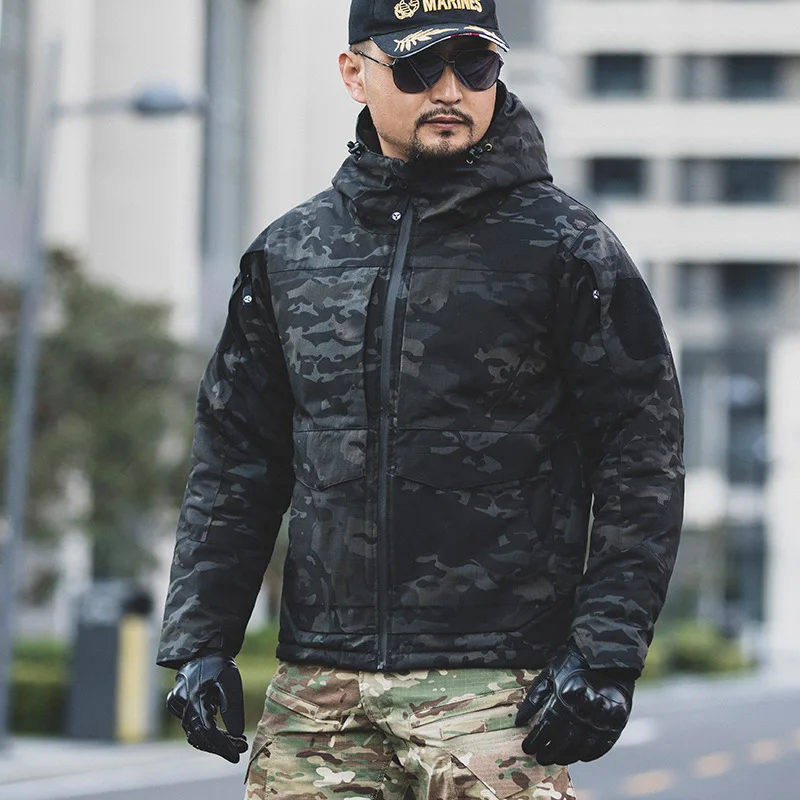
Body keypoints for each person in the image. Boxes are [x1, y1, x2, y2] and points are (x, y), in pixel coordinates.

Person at [158, 2, 685, 798]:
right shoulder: (291, 253)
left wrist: (606, 654)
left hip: (497, 689)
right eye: (417, 66)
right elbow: (236, 460)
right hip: (319, 692)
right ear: (354, 74)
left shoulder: (567, 248)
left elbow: (641, 457)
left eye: (474, 65)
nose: (449, 89)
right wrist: (203, 641)